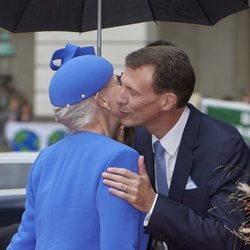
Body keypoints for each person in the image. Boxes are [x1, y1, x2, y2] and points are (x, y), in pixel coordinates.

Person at [102, 45, 250, 250]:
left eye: (133, 92)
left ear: (167, 101)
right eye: (121, 83)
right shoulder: (139, 136)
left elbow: (230, 237)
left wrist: (153, 204)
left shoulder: (224, 146)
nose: (120, 98)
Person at [7, 44, 148, 250]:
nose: (124, 88)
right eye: (118, 82)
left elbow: (25, 240)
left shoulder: (46, 157)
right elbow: (119, 244)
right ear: (102, 99)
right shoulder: (120, 157)